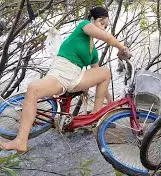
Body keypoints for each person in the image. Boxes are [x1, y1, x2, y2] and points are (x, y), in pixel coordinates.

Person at [0, 7, 132, 152]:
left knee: (105, 71)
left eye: (106, 25)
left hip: (76, 77)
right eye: (101, 23)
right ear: (92, 19)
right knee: (33, 88)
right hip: (60, 73)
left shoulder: (93, 51)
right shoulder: (83, 26)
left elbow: (99, 76)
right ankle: (21, 141)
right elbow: (106, 37)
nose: (103, 27)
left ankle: (96, 116)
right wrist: (121, 46)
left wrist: (110, 102)